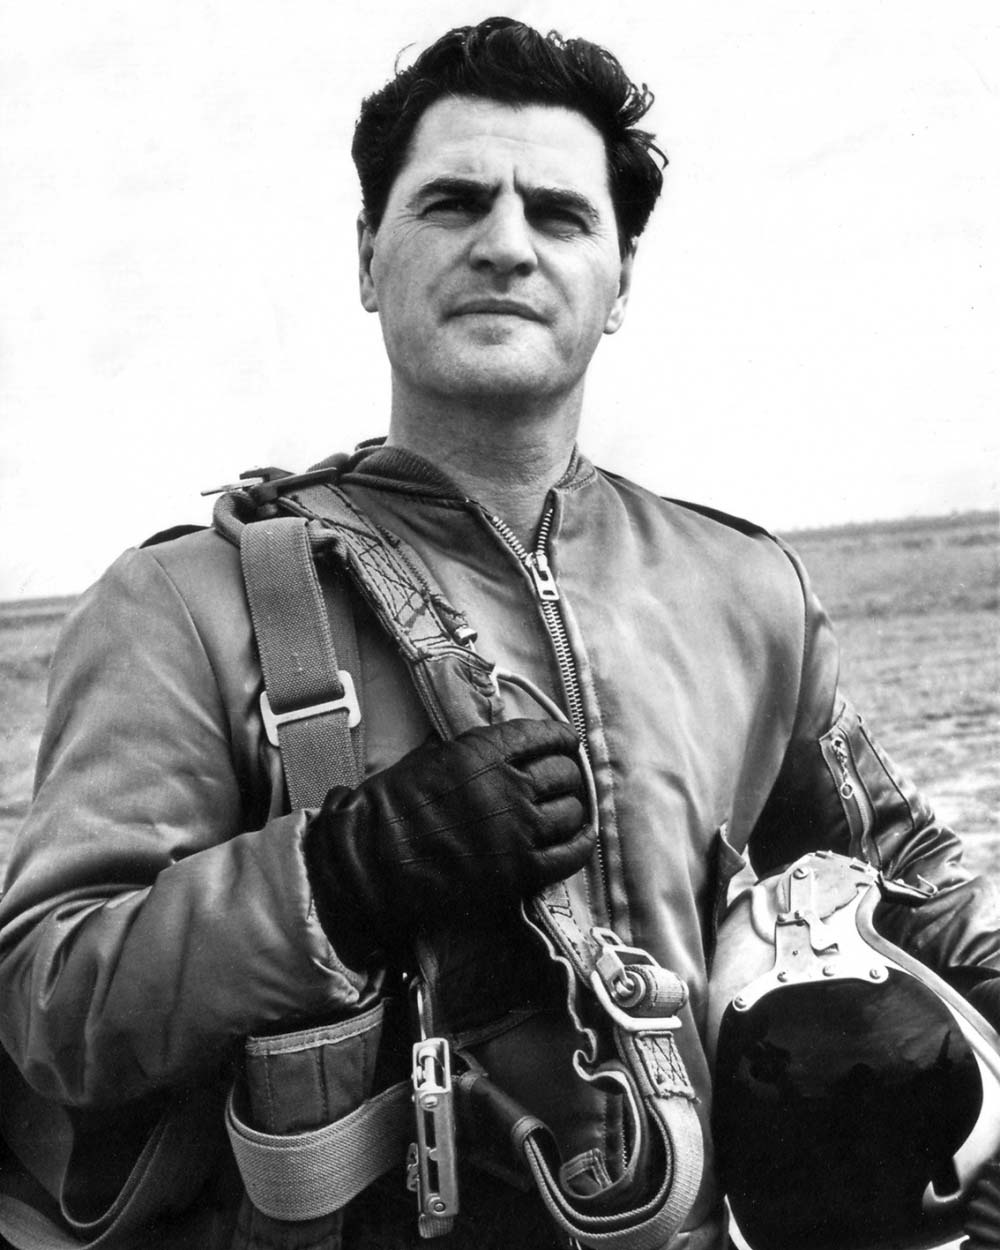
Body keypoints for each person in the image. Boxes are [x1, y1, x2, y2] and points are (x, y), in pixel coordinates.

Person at [0, 16, 997, 1250]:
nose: (507, 244)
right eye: (453, 201)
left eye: (561, 215)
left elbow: (901, 872)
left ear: (620, 280)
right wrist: (341, 875)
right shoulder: (187, 604)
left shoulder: (747, 587)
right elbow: (47, 998)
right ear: (368, 257)